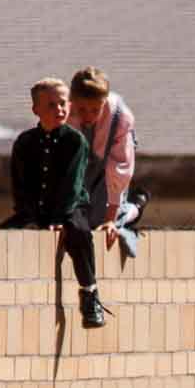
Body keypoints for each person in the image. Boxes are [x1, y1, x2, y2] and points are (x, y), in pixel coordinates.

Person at [0, 77, 104, 328]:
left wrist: (58, 219)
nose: (59, 109)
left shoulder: (75, 141)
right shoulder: (25, 142)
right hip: (35, 210)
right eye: (51, 105)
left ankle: (90, 293)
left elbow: (72, 184)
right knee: (2, 235)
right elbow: (20, 185)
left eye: (62, 104)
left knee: (78, 232)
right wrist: (30, 216)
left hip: (69, 208)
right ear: (36, 109)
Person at [66, 67, 144, 262]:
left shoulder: (120, 119)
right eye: (81, 109)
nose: (88, 116)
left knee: (102, 222)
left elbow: (119, 169)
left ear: (104, 102)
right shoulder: (64, 113)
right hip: (82, 164)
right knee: (80, 221)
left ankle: (136, 204)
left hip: (108, 164)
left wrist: (110, 219)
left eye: (95, 109)